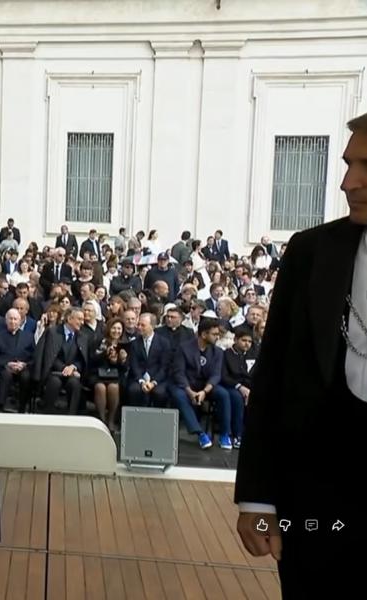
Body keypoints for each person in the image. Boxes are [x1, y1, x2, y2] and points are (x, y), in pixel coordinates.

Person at [235, 112, 367, 597]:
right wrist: (258, 498)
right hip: (317, 506)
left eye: (365, 167)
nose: (347, 182)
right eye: (349, 164)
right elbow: (273, 378)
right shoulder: (312, 252)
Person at [169, 317, 230, 449]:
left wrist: (204, 391)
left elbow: (216, 375)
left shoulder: (217, 352)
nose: (217, 337)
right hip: (186, 386)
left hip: (205, 387)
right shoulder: (184, 348)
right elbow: (179, 373)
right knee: (178, 395)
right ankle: (200, 433)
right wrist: (190, 392)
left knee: (223, 394)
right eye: (214, 334)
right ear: (203, 334)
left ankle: (225, 434)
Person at [0, 308, 35, 413]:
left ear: (20, 321)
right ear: (6, 320)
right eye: (10, 319)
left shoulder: (29, 337)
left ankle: (22, 407)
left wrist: (24, 364)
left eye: (15, 319)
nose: (13, 322)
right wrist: (7, 364)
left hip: (23, 367)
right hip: (4, 367)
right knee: (6, 375)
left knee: (26, 377)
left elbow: (33, 357)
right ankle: (1, 406)